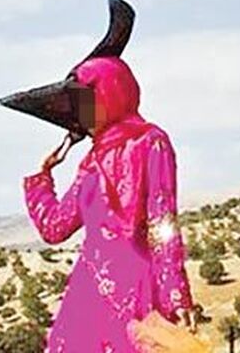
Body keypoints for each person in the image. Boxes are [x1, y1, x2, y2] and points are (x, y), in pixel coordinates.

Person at [23, 55, 194, 352]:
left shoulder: (149, 142)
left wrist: (175, 294)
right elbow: (55, 228)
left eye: (86, 100)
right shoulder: (93, 160)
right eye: (78, 105)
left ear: (113, 92)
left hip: (137, 290)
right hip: (89, 295)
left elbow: (162, 223)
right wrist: (43, 176)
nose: (82, 112)